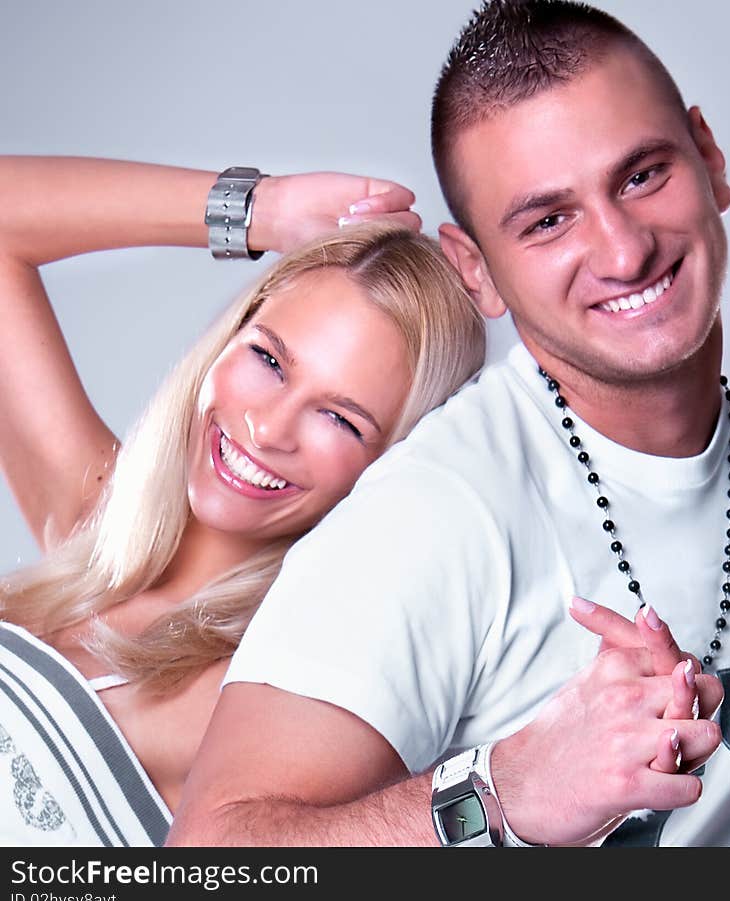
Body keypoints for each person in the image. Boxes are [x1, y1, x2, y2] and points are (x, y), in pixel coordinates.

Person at [168, 0, 730, 848]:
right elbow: (211, 859)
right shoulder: (433, 513)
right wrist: (501, 793)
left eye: (643, 174)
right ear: (478, 270)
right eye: (548, 221)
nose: (623, 251)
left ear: (710, 157)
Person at [0, 156, 488, 846]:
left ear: (388, 468)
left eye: (340, 420)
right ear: (230, 334)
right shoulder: (94, 527)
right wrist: (263, 210)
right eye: (269, 359)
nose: (269, 427)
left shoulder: (276, 700)